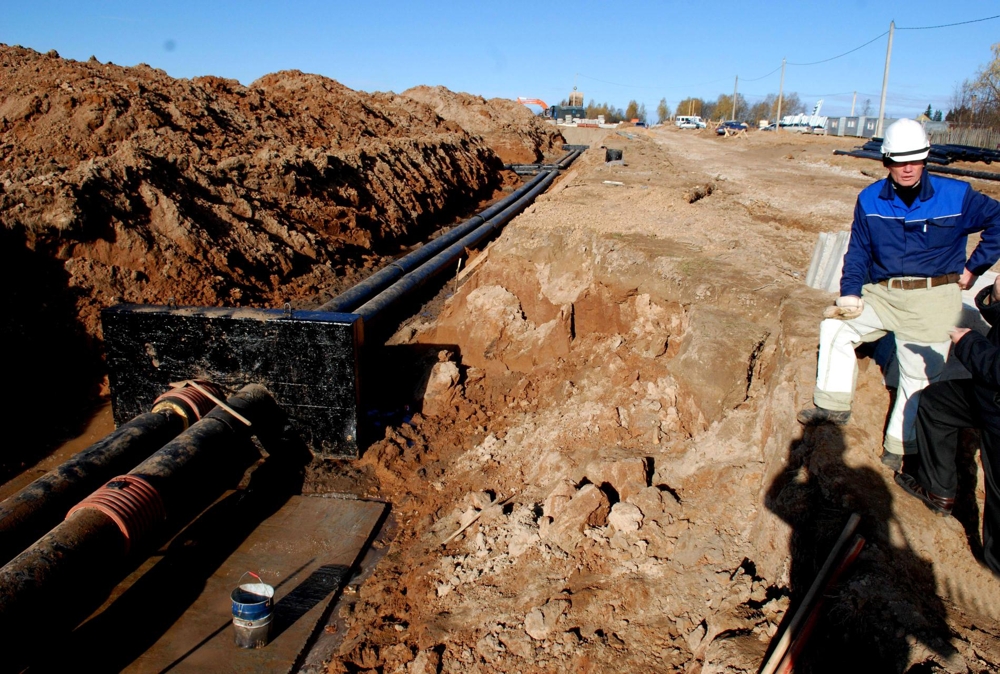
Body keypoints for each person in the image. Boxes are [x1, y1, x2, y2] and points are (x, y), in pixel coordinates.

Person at [797, 118, 1000, 472]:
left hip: (933, 298)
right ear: (886, 161)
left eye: (915, 159)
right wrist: (850, 293)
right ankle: (833, 405)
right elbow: (858, 250)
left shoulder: (956, 196)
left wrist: (974, 268)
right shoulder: (870, 199)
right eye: (899, 160)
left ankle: (900, 445)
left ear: (925, 158)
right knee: (836, 328)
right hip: (883, 295)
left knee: (918, 372)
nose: (907, 168)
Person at [895, 275, 1000, 575]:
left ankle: (994, 574)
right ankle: (938, 490)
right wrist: (995, 297)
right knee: (937, 403)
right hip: (987, 396)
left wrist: (967, 342)